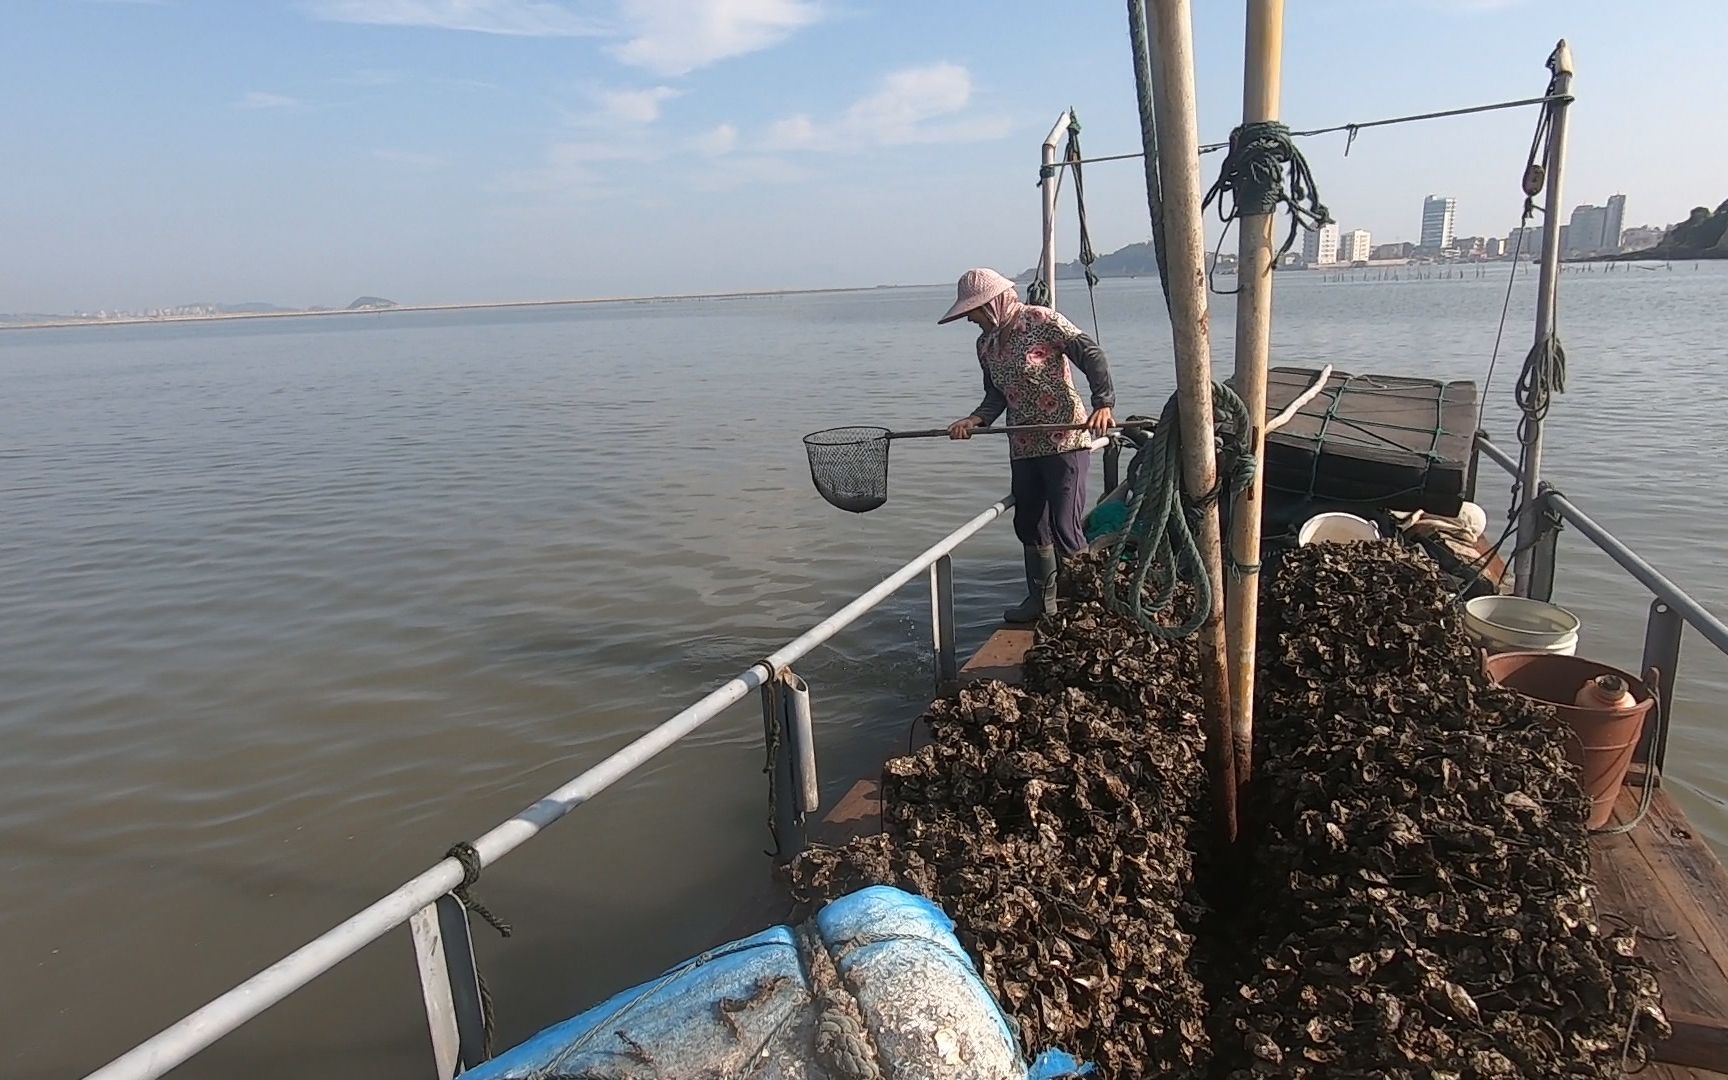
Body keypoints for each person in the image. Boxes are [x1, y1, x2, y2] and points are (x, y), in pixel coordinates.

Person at [938, 267, 1116, 624]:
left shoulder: (1040, 319)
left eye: (972, 312)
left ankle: (1087, 606)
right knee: (1030, 522)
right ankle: (1041, 601)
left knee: (1066, 526)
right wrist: (976, 419)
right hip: (1022, 443)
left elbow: (1091, 355)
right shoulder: (985, 345)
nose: (970, 320)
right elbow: (995, 395)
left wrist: (1104, 403)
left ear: (991, 304)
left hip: (1065, 439)